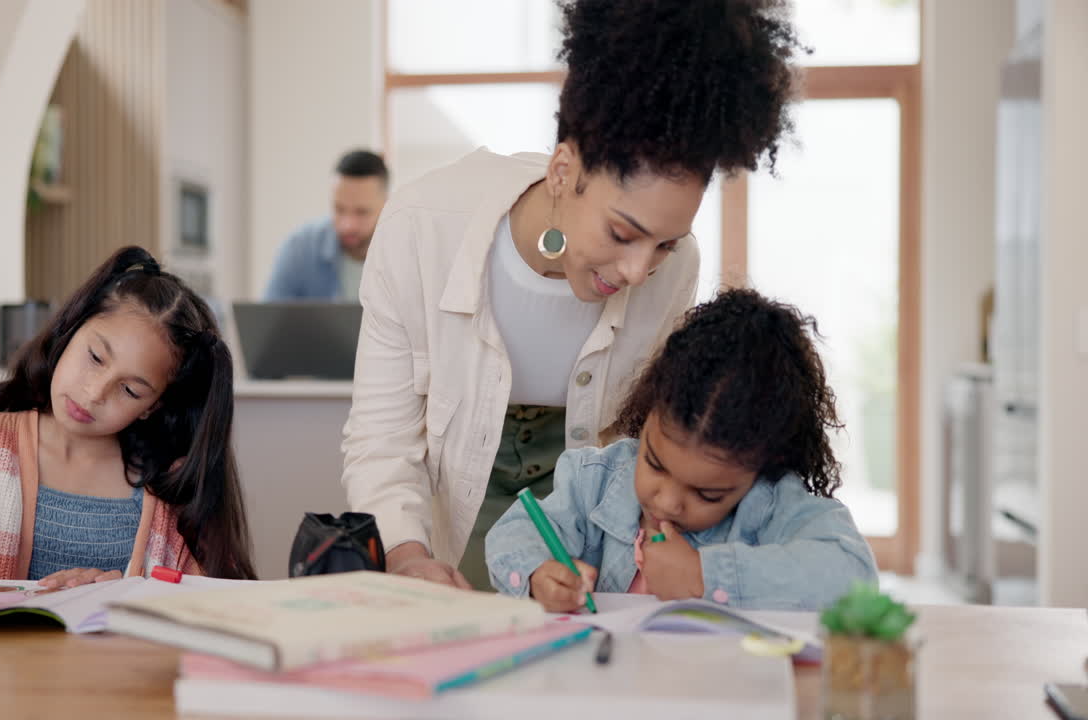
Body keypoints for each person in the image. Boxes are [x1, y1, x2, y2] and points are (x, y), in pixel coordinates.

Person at [342, 0, 806, 590]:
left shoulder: (674, 267)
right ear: (563, 170)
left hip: (584, 536)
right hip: (451, 519)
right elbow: (381, 437)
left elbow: (640, 441)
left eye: (665, 243)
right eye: (623, 233)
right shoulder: (421, 226)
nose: (641, 270)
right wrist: (408, 556)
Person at [0, 246, 256, 614]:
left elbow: (218, 612)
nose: (94, 392)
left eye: (130, 390)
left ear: (153, 406)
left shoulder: (171, 488)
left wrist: (124, 599)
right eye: (95, 357)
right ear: (71, 329)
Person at [486, 289, 878, 611]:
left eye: (707, 493)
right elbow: (512, 534)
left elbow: (852, 576)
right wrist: (538, 574)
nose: (669, 502)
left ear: (761, 467)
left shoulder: (769, 504)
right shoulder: (595, 480)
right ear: (648, 409)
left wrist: (705, 576)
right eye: (655, 464)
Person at [262, 149, 389, 301]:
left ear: (387, 206)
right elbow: (270, 320)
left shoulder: (408, 253)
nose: (347, 225)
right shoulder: (300, 248)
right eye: (339, 209)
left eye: (361, 212)